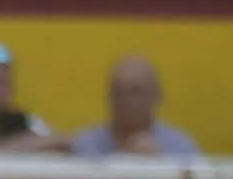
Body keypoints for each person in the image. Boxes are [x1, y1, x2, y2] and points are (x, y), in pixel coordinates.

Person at [70, 56, 200, 159]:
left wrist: (160, 166)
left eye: (136, 92)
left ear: (157, 95)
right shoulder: (85, 145)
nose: (125, 100)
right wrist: (123, 159)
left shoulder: (180, 148)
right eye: (118, 92)